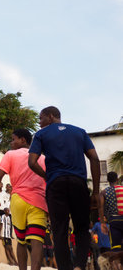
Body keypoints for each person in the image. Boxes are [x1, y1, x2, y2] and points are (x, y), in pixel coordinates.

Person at [28, 106, 101, 270]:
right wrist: (95, 192)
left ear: (51, 116)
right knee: (82, 227)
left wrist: (48, 176)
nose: (39, 123)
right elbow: (95, 159)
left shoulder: (41, 135)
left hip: (56, 185)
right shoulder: (80, 132)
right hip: (78, 183)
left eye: (41, 118)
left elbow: (32, 162)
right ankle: (80, 266)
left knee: (59, 230)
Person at [0, 128, 48, 270]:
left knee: (21, 242)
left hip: (18, 201)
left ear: (23, 140)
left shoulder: (11, 155)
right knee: (37, 241)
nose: (11, 143)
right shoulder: (43, 158)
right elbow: (50, 182)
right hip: (39, 202)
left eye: (13, 139)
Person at [99, 171, 123, 251]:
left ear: (108, 180)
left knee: (116, 247)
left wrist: (102, 223)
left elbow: (100, 207)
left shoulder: (104, 192)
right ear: (117, 179)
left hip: (113, 221)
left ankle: (117, 263)